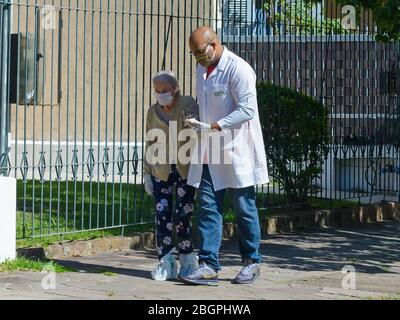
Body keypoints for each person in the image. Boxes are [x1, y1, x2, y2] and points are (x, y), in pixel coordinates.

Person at [182, 26, 269, 286]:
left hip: (238, 149)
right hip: (211, 149)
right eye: (193, 53)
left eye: (200, 51)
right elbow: (205, 102)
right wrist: (194, 118)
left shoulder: (238, 68)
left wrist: (216, 125)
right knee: (208, 206)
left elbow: (247, 110)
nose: (197, 57)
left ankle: (251, 262)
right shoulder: (201, 69)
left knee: (244, 208)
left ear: (214, 44)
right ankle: (208, 265)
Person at [143, 71, 199, 281]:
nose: (160, 94)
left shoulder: (186, 102)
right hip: (160, 170)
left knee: (181, 218)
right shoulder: (152, 112)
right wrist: (147, 173)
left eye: (164, 90)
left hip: (185, 169)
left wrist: (188, 118)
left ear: (175, 88)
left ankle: (187, 259)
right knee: (162, 217)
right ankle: (166, 260)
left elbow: (195, 128)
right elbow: (149, 142)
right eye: (157, 91)